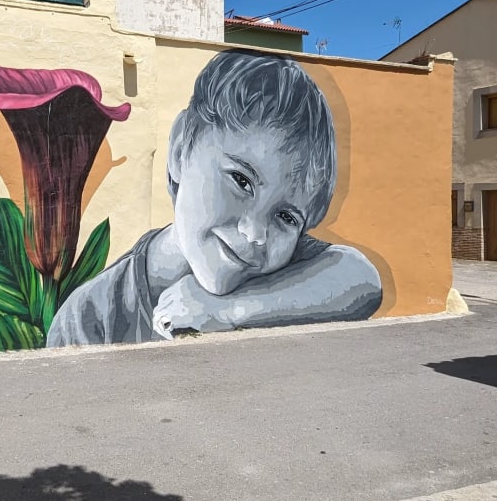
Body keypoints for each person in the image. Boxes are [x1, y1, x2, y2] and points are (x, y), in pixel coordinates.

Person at [46, 49, 382, 347]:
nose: (255, 234)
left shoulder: (287, 268)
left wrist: (227, 310)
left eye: (286, 217)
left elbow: (362, 279)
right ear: (180, 150)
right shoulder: (89, 316)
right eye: (240, 180)